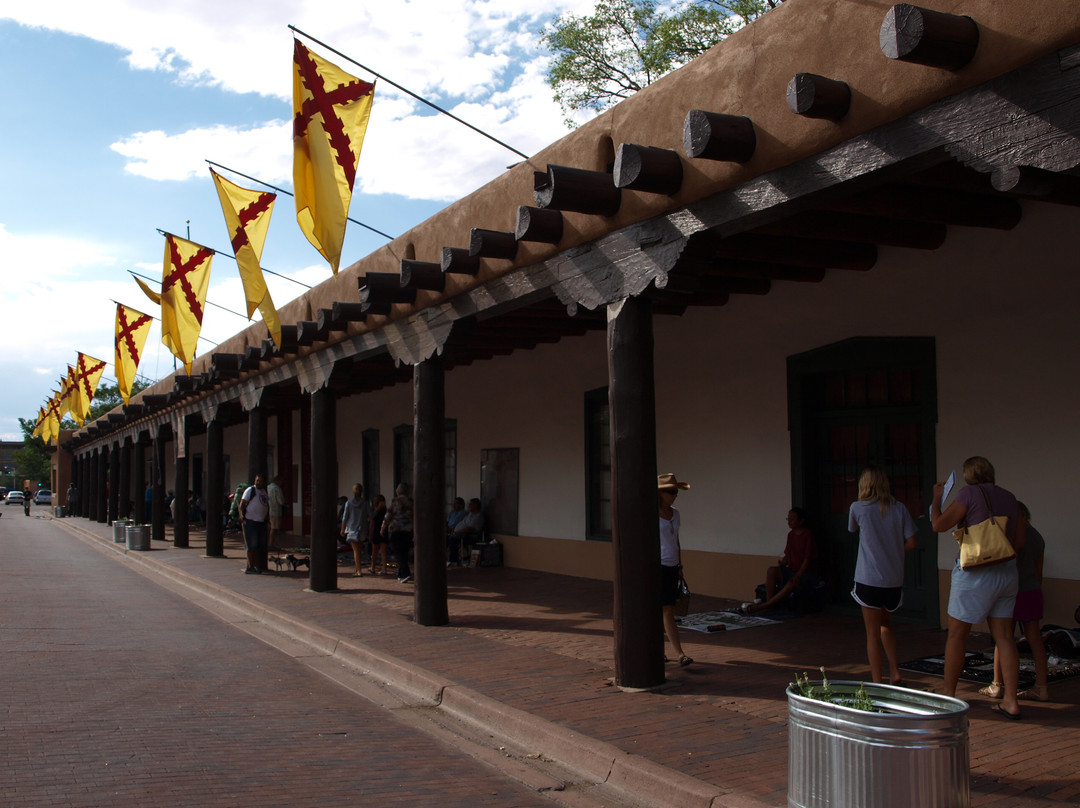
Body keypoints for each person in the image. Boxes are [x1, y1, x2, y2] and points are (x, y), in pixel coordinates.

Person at [931, 455, 1026, 720]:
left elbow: (938, 525)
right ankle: (1010, 700)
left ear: (969, 475)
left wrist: (936, 498)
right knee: (1005, 637)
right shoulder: (1009, 497)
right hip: (1007, 573)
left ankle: (949, 694)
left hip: (975, 574)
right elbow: (1018, 540)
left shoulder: (968, 494)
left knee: (957, 635)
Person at [847, 466, 918, 685]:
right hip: (893, 579)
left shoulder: (858, 508)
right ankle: (895, 670)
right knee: (886, 625)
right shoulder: (899, 508)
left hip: (868, 578)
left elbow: (852, 530)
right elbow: (912, 542)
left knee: (871, 633)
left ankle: (877, 681)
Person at [981, 502, 1049, 703]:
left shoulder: (1013, 535)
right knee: (1035, 639)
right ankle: (1042, 687)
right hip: (1032, 590)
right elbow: (1039, 572)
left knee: (1003, 638)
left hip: (1012, 591)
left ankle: (997, 684)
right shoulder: (1037, 537)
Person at [742, 508, 816, 614]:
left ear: (801, 520)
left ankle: (765, 606)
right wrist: (783, 563)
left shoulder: (807, 535)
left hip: (805, 574)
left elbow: (807, 559)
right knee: (771, 570)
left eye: (792, 519)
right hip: (791, 570)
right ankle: (769, 601)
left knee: (791, 584)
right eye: (788, 519)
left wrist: (798, 575)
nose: (789, 522)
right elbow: (788, 554)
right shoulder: (791, 535)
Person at [658, 472, 693, 667]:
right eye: (671, 491)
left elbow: (676, 540)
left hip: (672, 565)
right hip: (658, 565)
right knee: (666, 610)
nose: (674, 495)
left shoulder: (675, 514)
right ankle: (678, 653)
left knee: (667, 609)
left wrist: (680, 565)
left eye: (676, 492)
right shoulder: (651, 514)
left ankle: (668, 651)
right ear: (661, 493)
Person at [381, 483, 414, 583]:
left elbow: (388, 516)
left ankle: (405, 573)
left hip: (396, 529)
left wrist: (383, 527)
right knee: (404, 551)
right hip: (408, 530)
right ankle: (401, 575)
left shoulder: (395, 502)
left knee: (398, 553)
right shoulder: (412, 503)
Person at [240, 475, 270, 575]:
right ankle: (249, 567)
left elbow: (265, 505)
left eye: (261, 481)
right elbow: (242, 503)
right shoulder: (250, 490)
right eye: (257, 480)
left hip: (261, 522)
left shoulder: (264, 492)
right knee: (251, 545)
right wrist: (241, 516)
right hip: (251, 521)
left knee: (259, 545)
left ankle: (256, 566)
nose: (258, 482)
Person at [340, 483, 371, 577]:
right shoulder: (365, 503)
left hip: (352, 528)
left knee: (355, 550)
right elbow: (370, 514)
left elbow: (345, 518)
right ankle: (358, 569)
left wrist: (342, 529)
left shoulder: (348, 503)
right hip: (362, 529)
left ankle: (358, 570)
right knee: (359, 549)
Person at [453, 498, 485, 566]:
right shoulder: (470, 514)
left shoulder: (478, 517)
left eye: (471, 504)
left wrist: (457, 532)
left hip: (470, 536)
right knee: (445, 538)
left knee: (453, 539)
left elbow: (469, 529)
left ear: (475, 505)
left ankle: (453, 560)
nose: (469, 506)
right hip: (460, 533)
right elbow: (463, 523)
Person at [369, 494, 389, 575]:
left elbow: (372, 525)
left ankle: (373, 568)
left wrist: (370, 535)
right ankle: (384, 569)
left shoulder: (375, 512)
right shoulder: (386, 511)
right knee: (383, 552)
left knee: (374, 552)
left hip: (376, 532)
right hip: (384, 532)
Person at [446, 497, 466, 566]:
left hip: (458, 532)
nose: (454, 505)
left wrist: (453, 530)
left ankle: (453, 560)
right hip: (449, 530)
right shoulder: (452, 512)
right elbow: (447, 522)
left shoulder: (464, 513)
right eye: (454, 503)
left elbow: (461, 524)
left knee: (452, 540)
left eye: (456, 503)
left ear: (461, 505)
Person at [267, 475, 286, 547]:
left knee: (270, 527)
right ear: (277, 481)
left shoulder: (268, 487)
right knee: (274, 528)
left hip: (269, 511)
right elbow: (281, 501)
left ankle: (270, 542)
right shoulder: (277, 489)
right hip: (276, 511)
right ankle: (271, 544)